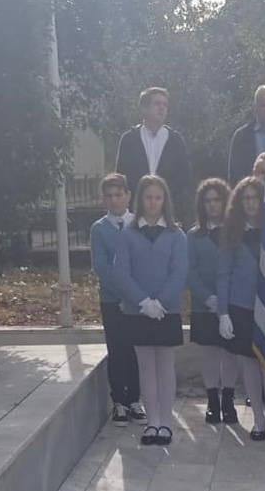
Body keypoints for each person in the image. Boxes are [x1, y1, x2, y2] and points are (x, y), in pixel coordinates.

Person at [112, 175, 188, 446]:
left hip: (167, 311)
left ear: (165, 200)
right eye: (148, 197)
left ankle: (165, 422)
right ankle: (152, 422)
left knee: (165, 365)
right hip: (137, 311)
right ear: (140, 200)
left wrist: (160, 303)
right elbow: (121, 272)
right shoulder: (128, 233)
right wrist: (144, 302)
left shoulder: (176, 235)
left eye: (158, 197)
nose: (153, 202)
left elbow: (179, 273)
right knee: (145, 366)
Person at [218, 177, 265, 440]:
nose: (251, 203)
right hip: (241, 306)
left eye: (255, 198)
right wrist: (223, 313)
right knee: (249, 364)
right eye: (246, 198)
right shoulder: (231, 231)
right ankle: (259, 420)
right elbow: (223, 274)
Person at [90, 173, 145, 425]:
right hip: (112, 300)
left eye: (118, 194)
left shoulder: (139, 224)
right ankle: (119, 402)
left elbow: (142, 263)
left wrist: (135, 296)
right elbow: (102, 267)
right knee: (116, 349)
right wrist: (122, 294)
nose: (114, 200)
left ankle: (135, 399)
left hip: (137, 300)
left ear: (128, 196)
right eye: (109, 196)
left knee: (135, 349)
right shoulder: (99, 229)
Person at [188, 178, 239, 424]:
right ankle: (212, 401)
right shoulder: (194, 235)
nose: (212, 205)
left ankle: (228, 401)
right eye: (207, 201)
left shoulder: (236, 232)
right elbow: (190, 271)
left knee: (230, 353)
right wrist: (208, 298)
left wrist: (226, 301)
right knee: (210, 354)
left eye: (217, 200)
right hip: (204, 305)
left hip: (232, 304)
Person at [114, 87, 193, 218]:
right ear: (144, 109)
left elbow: (185, 179)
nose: (162, 108)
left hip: (169, 214)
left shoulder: (176, 140)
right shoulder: (129, 139)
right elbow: (121, 177)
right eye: (157, 104)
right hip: (135, 214)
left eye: (165, 105)